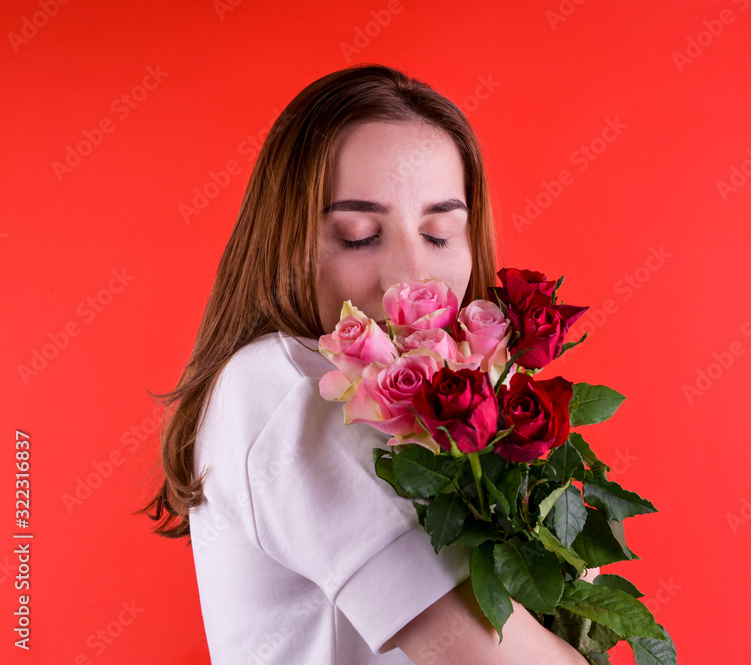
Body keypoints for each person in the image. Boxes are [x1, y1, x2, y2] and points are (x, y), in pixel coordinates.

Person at [139, 64, 591, 664]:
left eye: (438, 233)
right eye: (358, 236)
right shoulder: (289, 390)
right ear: (286, 243)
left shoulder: (415, 412)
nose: (412, 275)